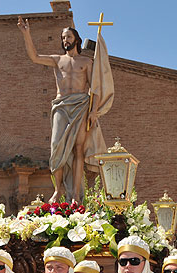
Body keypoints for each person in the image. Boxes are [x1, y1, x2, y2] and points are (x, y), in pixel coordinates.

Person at [17, 17, 111, 202]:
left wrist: (93, 111)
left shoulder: (86, 62)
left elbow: (95, 88)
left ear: (76, 39)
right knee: (56, 147)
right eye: (62, 38)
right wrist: (26, 34)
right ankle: (57, 189)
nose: (64, 40)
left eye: (67, 37)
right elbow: (34, 57)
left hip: (81, 105)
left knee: (78, 149)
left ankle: (75, 194)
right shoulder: (57, 60)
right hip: (61, 105)